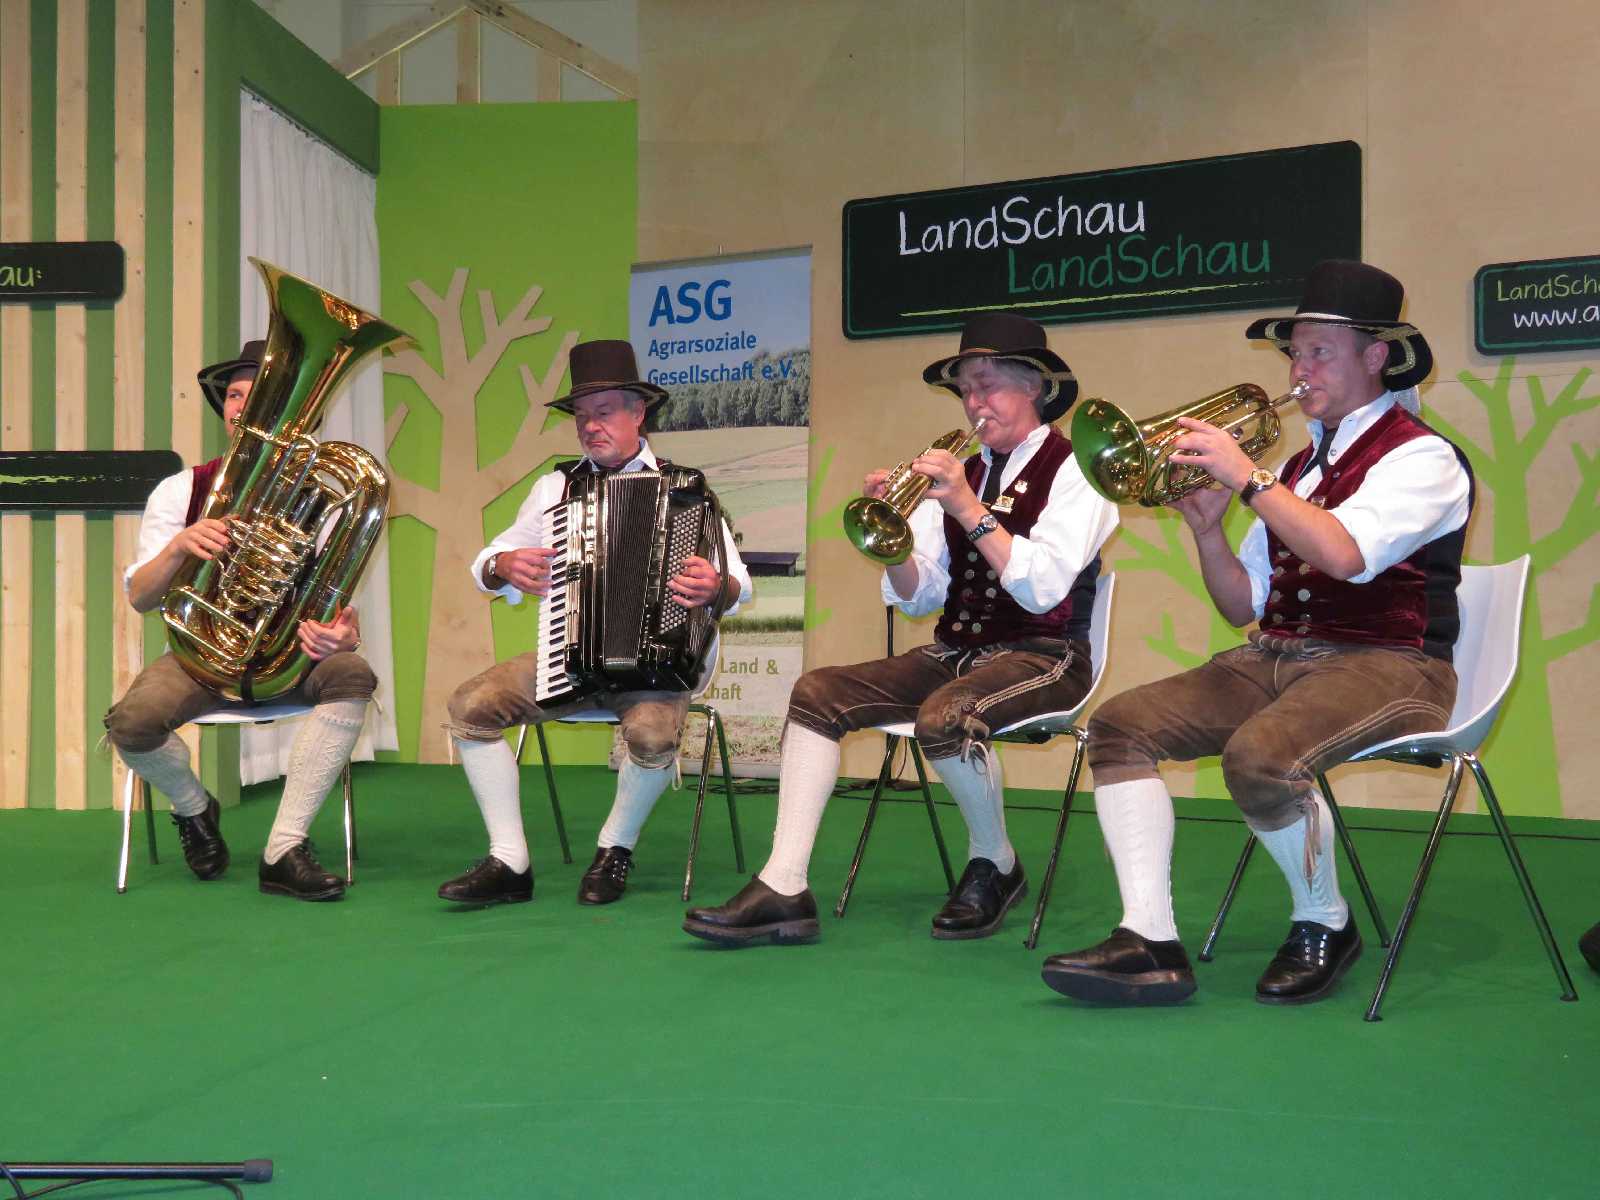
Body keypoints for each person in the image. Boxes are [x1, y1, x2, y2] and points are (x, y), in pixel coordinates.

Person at [1041, 260, 1473, 1006]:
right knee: (1119, 727)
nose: (1300, 371)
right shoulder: (1298, 469)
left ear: (1377, 355)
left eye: (1320, 353)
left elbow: (1346, 555)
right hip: (1277, 656)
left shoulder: (1423, 456)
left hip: (1394, 664)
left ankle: (1324, 921)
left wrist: (1249, 479)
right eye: (1295, 354)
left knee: (1260, 756)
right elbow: (1243, 607)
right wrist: (1208, 531)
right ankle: (1149, 937)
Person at [684, 313, 1117, 947]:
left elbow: (1043, 587)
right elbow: (924, 597)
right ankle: (785, 884)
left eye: (987, 385)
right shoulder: (964, 471)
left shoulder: (1079, 469)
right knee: (817, 692)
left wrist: (965, 505)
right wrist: (894, 543)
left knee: (946, 715)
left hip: (1047, 655)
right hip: (957, 650)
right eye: (965, 389)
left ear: (1035, 386)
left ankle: (994, 863)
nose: (974, 402)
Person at [439, 339, 752, 907]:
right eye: (582, 416)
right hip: (569, 655)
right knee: (470, 707)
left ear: (638, 412)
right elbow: (487, 562)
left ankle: (614, 848)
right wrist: (503, 565)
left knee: (652, 737)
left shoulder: (687, 490)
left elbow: (738, 585)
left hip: (658, 663)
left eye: (603, 412)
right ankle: (509, 860)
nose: (590, 426)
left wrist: (716, 586)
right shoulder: (555, 488)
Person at [105, 339, 376, 901]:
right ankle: (194, 806)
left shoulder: (328, 494)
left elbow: (337, 604)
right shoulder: (181, 489)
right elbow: (141, 597)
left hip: (288, 655)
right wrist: (178, 547)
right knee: (130, 723)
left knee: (353, 674)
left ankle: (284, 848)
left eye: (261, 395)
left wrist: (343, 635)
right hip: (199, 656)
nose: (242, 407)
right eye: (234, 396)